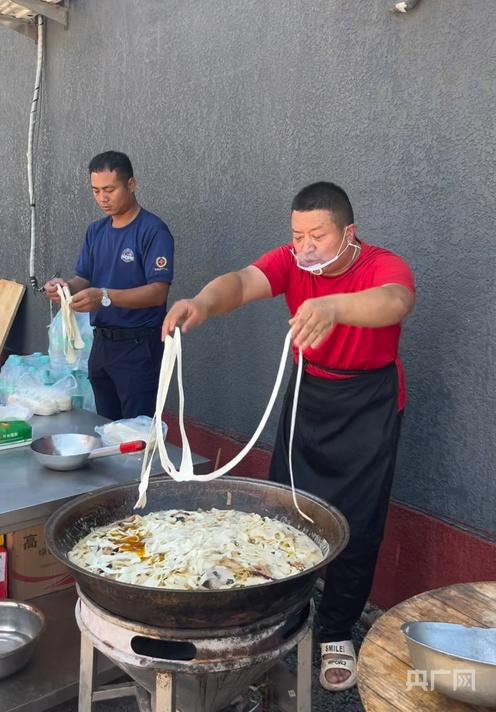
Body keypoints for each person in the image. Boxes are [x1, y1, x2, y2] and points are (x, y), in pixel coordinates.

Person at [161, 181, 415, 692]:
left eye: (318, 235)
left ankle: (336, 631)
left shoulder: (383, 266)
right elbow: (241, 282)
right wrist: (203, 303)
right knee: (284, 510)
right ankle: (282, 616)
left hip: (367, 402)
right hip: (308, 393)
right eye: (298, 236)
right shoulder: (290, 262)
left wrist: (335, 307)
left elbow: (395, 301)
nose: (306, 247)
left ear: (349, 233)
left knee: (359, 524)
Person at [44, 151, 174, 420]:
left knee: (136, 431)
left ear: (131, 184)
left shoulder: (153, 231)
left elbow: (158, 293)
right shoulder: (96, 231)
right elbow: (84, 279)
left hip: (139, 346)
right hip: (102, 344)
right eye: (96, 191)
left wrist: (104, 296)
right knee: (105, 426)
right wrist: (64, 288)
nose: (102, 198)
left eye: (109, 189)